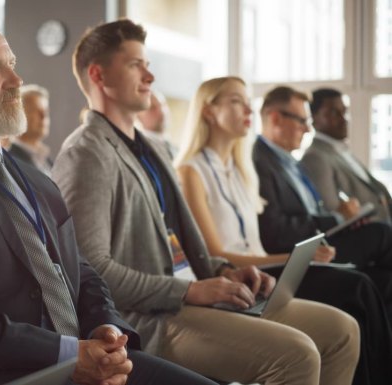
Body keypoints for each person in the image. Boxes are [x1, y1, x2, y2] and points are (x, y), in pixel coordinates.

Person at [0, 13, 216, 385]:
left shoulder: (34, 177)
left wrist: (106, 331)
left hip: (82, 360)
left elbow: (81, 271)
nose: (16, 81)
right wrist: (65, 354)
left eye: (11, 64)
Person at [52, 19, 359, 385]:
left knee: (342, 331)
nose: (150, 75)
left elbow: (178, 243)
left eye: (147, 64)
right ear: (99, 75)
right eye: (136, 64)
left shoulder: (154, 149)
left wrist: (223, 270)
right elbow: (92, 270)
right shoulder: (87, 152)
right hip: (148, 317)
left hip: (193, 296)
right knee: (297, 355)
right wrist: (191, 289)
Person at [176, 76, 392, 385]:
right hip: (241, 278)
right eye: (236, 101)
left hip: (265, 273)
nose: (248, 109)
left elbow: (256, 246)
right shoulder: (190, 172)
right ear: (209, 112)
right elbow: (214, 255)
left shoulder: (240, 171)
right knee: (357, 284)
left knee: (366, 289)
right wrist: (293, 257)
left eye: (247, 101)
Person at [253, 86, 392, 318]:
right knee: (381, 234)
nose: (308, 129)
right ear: (276, 118)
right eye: (301, 120)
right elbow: (275, 231)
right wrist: (337, 218)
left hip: (319, 242)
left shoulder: (289, 162)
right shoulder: (260, 162)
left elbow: (312, 210)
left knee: (385, 281)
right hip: (300, 254)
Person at [301, 87, 392, 224]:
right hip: (370, 236)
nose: (344, 119)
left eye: (344, 112)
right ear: (313, 118)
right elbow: (332, 212)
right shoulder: (315, 157)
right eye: (334, 113)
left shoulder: (342, 150)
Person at [8, 84, 53, 174]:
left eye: (46, 111)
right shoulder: (9, 160)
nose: (44, 116)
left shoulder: (46, 159)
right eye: (36, 111)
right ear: (18, 115)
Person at [136, 91, 177, 159]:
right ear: (138, 116)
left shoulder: (175, 149)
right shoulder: (141, 150)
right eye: (152, 108)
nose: (161, 111)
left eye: (162, 105)